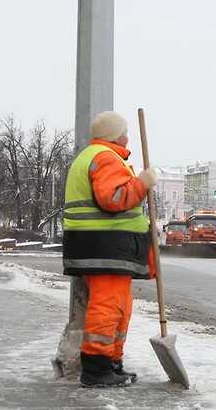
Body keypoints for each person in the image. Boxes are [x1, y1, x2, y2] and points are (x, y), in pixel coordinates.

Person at [62, 111, 158, 388]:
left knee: (119, 307)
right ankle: (96, 369)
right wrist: (142, 183)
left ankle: (111, 363)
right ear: (117, 135)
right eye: (124, 132)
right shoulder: (104, 157)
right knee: (107, 308)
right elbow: (113, 199)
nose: (128, 136)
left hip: (103, 247)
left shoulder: (95, 156)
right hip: (104, 246)